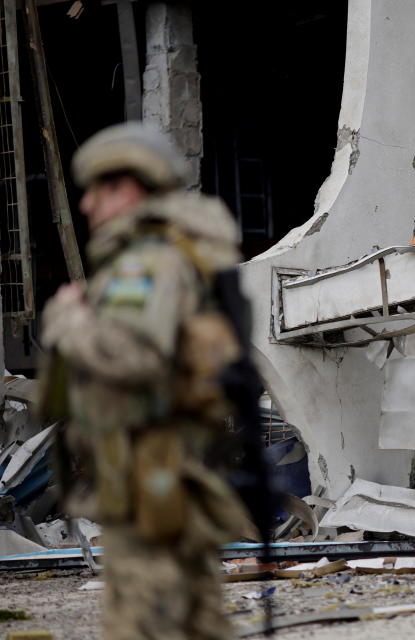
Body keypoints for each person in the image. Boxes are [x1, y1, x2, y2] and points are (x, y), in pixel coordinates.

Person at [39, 122, 254, 640]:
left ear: (130, 187)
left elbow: (134, 358)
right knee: (193, 622)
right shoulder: (169, 256)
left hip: (149, 479)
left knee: (145, 625)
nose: (86, 205)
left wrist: (69, 322)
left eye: (98, 190)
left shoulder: (147, 264)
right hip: (162, 476)